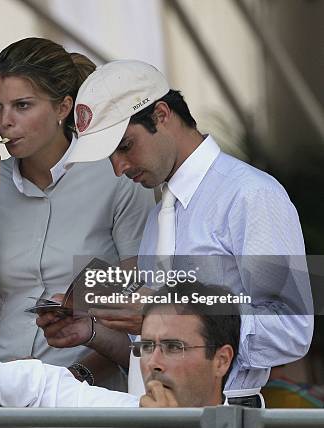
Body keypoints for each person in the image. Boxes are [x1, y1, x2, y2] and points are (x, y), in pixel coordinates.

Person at [39, 59, 313, 407]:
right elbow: (162, 351)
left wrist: (168, 317)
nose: (119, 168)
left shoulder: (251, 195)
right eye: (110, 156)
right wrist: (94, 330)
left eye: (124, 146)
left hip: (224, 413)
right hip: (152, 410)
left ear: (162, 114)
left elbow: (292, 329)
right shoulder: (160, 215)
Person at [0, 38, 154, 386]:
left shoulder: (118, 176)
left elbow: (139, 308)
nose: (4, 122)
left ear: (63, 108)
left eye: (22, 105)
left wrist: (79, 377)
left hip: (87, 389)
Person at [0, 283, 239, 408]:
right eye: (146, 347)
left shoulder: (263, 424)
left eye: (174, 347)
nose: (155, 362)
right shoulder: (126, 410)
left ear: (221, 360)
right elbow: (28, 379)